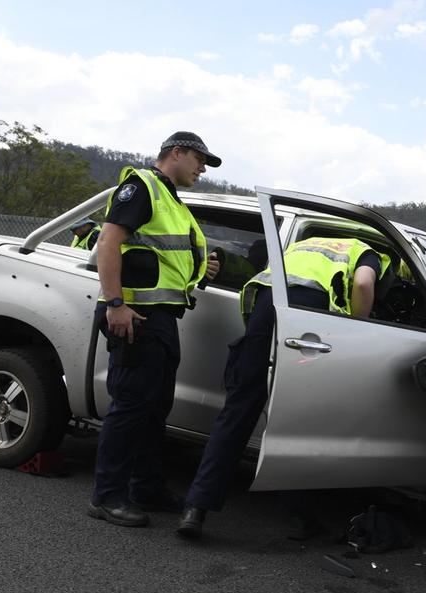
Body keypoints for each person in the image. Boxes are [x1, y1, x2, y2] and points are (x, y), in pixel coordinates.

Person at [176, 235, 392, 539]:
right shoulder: (370, 254)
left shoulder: (311, 242)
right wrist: (358, 329)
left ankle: (195, 509)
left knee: (237, 413)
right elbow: (363, 285)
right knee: (301, 419)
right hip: (308, 318)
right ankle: (300, 516)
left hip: (268, 307)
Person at [87, 131, 222, 527]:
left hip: (159, 317)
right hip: (135, 317)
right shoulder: (142, 187)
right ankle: (106, 496)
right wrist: (115, 304)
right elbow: (109, 241)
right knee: (130, 408)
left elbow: (163, 254)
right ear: (176, 153)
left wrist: (203, 267)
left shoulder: (172, 199)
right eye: (199, 159)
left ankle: (145, 487)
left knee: (153, 408)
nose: (201, 168)